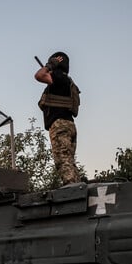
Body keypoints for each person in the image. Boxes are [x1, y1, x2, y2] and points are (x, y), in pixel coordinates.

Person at [35, 51, 81, 185]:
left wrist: (49, 66)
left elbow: (39, 75)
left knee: (63, 161)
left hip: (59, 125)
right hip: (69, 125)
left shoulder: (57, 77)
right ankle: (76, 185)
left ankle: (72, 189)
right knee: (69, 161)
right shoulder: (69, 82)